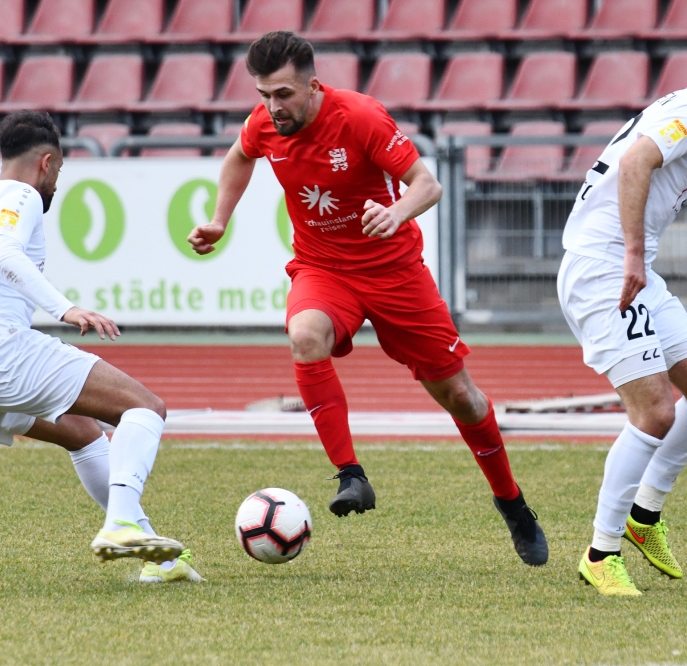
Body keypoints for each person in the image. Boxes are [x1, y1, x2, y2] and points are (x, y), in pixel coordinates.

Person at [188, 31, 547, 566]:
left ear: (313, 85)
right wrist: (220, 219)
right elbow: (240, 157)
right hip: (322, 267)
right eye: (264, 94)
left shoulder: (359, 117)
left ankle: (512, 502)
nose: (272, 106)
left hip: (393, 271)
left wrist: (396, 212)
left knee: (463, 399)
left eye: (283, 94)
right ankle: (351, 475)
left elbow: (427, 184)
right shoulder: (264, 123)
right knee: (304, 333)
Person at [0, 110, 201, 584]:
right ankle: (122, 523)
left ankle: (160, 561)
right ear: (47, 163)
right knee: (145, 408)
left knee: (83, 433)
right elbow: (6, 254)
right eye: (60, 174)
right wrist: (66, 309)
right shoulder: (22, 194)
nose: (55, 185)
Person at [558, 26, 687, 595]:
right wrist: (634, 256)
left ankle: (645, 518)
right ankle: (602, 552)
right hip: (606, 268)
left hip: (625, 267)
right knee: (655, 413)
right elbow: (635, 163)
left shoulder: (684, 102)